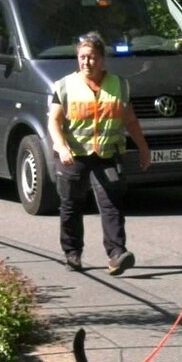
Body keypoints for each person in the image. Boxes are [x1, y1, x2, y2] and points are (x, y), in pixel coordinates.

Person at [48, 31, 151, 275]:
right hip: (72, 154)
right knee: (71, 204)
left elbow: (131, 120)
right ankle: (72, 253)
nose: (87, 62)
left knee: (111, 203)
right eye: (82, 57)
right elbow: (54, 121)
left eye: (92, 57)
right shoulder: (64, 85)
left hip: (106, 154)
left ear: (102, 59)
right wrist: (61, 146)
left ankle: (117, 254)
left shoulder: (119, 85)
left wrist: (143, 147)